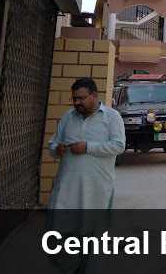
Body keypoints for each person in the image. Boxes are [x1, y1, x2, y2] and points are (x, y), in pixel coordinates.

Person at [48, 77, 125, 209]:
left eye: (81, 98)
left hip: (96, 188)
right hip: (66, 188)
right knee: (62, 226)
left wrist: (87, 147)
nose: (77, 102)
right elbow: (52, 145)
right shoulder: (68, 117)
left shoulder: (112, 116)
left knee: (92, 226)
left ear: (94, 95)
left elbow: (118, 146)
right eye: (74, 99)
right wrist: (57, 150)